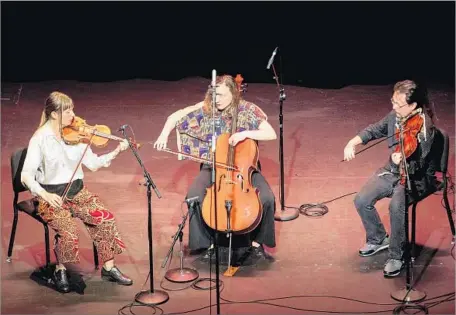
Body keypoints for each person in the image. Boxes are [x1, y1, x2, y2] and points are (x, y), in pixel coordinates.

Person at [154, 74, 277, 260]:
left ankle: (257, 243)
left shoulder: (246, 109)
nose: (216, 99)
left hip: (244, 168)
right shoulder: (207, 108)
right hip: (214, 166)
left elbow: (270, 133)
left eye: (221, 95)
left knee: (267, 198)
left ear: (233, 94)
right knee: (194, 196)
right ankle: (206, 243)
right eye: (214, 95)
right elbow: (175, 117)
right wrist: (163, 135)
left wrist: (245, 134)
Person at [21, 91, 133, 293]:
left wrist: (116, 151)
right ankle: (60, 269)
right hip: (50, 196)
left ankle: (108, 267)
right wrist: (45, 195)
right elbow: (26, 175)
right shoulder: (40, 139)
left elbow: (93, 164)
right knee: (69, 231)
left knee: (105, 218)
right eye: (67, 110)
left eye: (72, 109)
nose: (73, 114)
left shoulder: (78, 135)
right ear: (54, 114)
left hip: (77, 192)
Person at [343, 80, 437, 277]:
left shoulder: (426, 128)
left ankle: (396, 255)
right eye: (393, 101)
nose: (393, 107)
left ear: (413, 106)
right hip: (393, 169)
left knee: (396, 207)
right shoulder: (396, 116)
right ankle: (378, 239)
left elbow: (422, 163)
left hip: (416, 176)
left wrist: (404, 159)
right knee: (362, 199)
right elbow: (375, 129)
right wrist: (353, 143)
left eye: (398, 104)